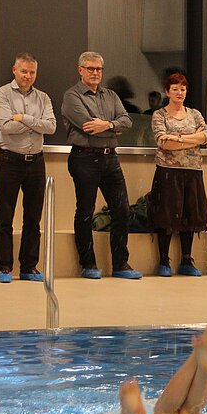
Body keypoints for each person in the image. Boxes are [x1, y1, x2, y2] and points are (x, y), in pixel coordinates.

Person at [61, 51, 142, 280]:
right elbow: (88, 126)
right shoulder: (72, 96)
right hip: (84, 158)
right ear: (80, 70)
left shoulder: (110, 95)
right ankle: (88, 265)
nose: (95, 73)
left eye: (98, 69)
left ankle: (120, 264)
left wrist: (106, 123)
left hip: (110, 158)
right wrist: (113, 126)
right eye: (90, 69)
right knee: (85, 211)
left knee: (122, 210)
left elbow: (126, 121)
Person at [0, 52, 56, 283]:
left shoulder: (43, 97)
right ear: (15, 70)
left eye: (32, 72)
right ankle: (4, 268)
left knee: (33, 218)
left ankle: (29, 267)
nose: (28, 76)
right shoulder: (3, 93)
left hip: (36, 163)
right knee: (5, 216)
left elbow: (50, 127)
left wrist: (24, 118)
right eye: (24, 71)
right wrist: (33, 123)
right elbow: (5, 125)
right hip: (10, 161)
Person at [148, 73, 207, 277]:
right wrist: (191, 139)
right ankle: (164, 260)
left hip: (192, 170)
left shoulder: (194, 114)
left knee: (190, 214)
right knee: (166, 215)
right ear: (167, 92)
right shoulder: (160, 115)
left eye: (182, 89)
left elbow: (206, 136)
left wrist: (178, 138)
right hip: (167, 171)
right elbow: (163, 142)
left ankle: (186, 259)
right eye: (175, 89)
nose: (179, 92)